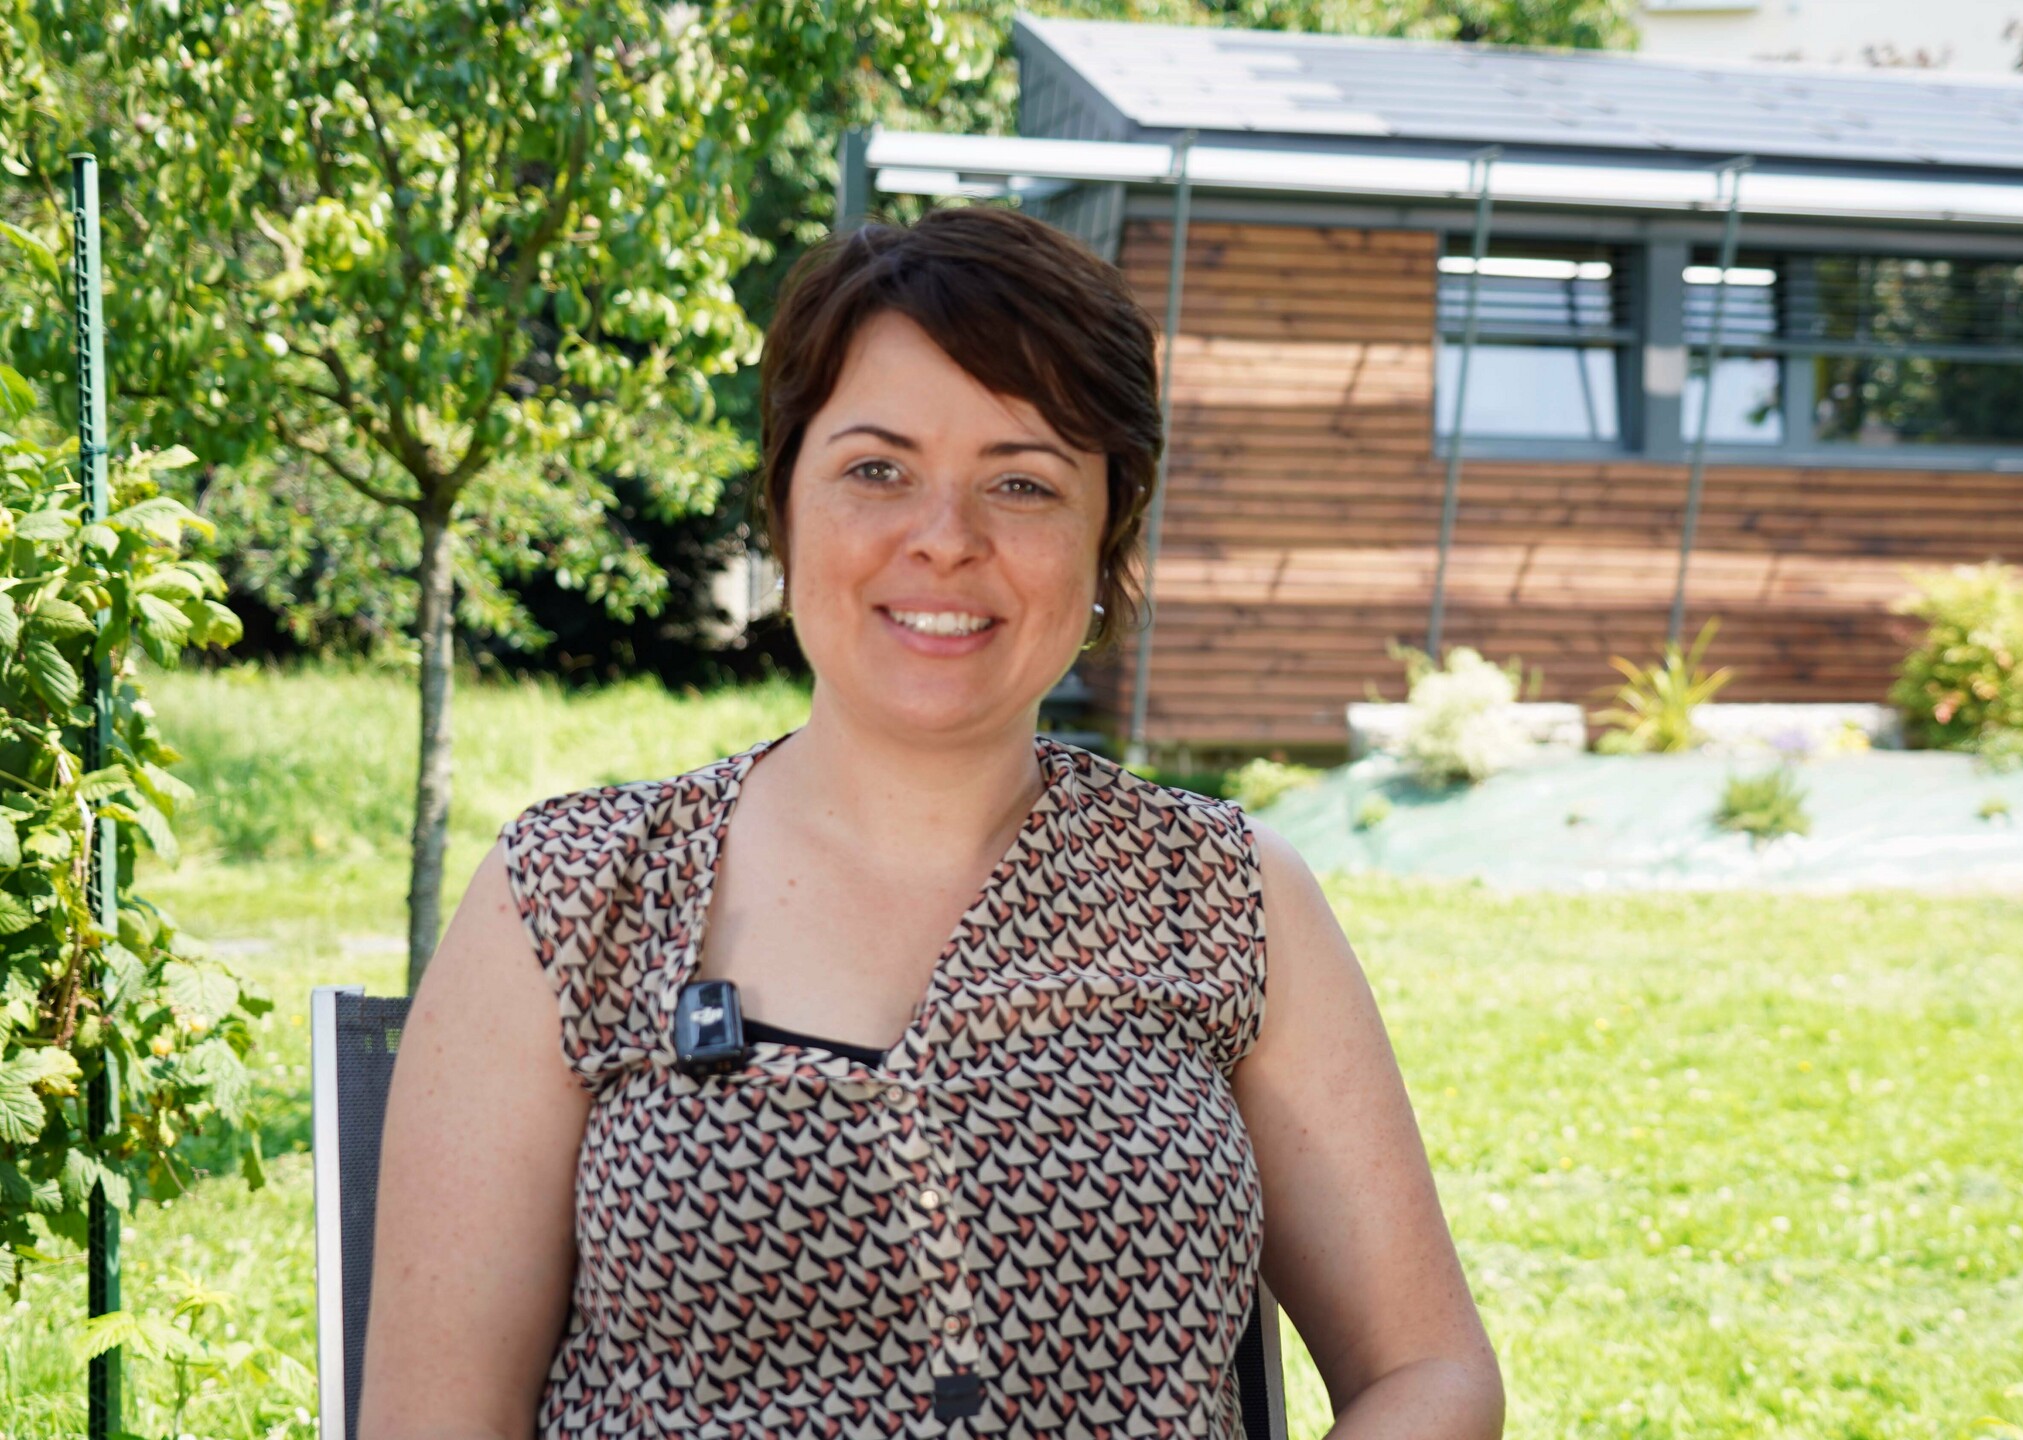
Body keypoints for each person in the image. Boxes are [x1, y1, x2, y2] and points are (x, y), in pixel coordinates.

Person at [359, 204, 1504, 1439]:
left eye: (1021, 482)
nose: (944, 541)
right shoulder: (577, 893)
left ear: (1106, 539)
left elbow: (1428, 1375)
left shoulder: (1225, 897)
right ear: (783, 509)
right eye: (876, 470)